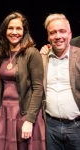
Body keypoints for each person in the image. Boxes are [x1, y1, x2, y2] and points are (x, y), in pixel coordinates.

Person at [0, 11, 45, 150]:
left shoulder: (32, 53)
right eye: (10, 28)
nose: (14, 32)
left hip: (24, 112)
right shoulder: (3, 55)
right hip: (6, 113)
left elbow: (38, 89)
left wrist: (29, 120)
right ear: (4, 30)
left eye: (18, 28)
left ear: (24, 31)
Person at [41, 13, 80, 150]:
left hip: (77, 126)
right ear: (48, 37)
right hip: (51, 126)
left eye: (62, 31)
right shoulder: (42, 58)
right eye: (53, 32)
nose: (58, 36)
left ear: (70, 34)